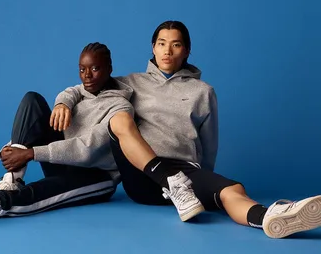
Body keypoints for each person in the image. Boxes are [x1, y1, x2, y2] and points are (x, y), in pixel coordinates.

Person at [56, 21, 321, 239]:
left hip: (183, 175)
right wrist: (62, 102)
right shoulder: (131, 82)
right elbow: (83, 87)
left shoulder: (203, 92)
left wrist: (206, 182)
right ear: (153, 48)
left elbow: (209, 144)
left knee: (231, 189)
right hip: (142, 175)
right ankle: (171, 183)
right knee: (118, 119)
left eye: (175, 44)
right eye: (161, 44)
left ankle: (270, 217)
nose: (167, 51)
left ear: (186, 51)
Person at [0, 42, 133, 225]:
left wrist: (31, 153)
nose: (87, 76)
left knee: (46, 190)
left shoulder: (121, 107)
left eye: (95, 69)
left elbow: (87, 148)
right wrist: (61, 103)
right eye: (82, 69)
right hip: (63, 159)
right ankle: (12, 180)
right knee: (32, 99)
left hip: (96, 175)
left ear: (109, 68)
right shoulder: (84, 90)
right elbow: (72, 91)